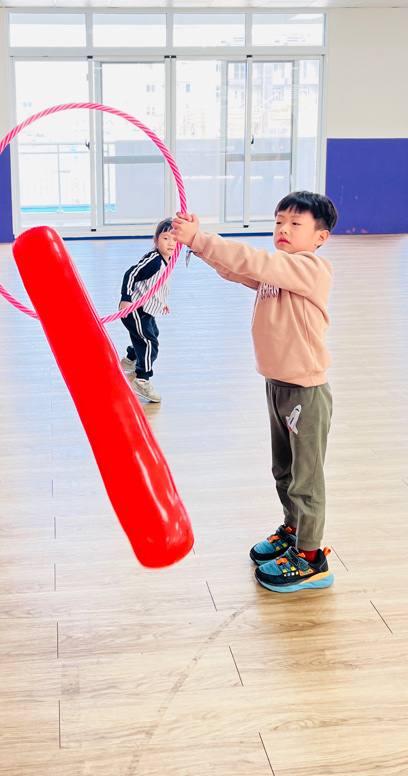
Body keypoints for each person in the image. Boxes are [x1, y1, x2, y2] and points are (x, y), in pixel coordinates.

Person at [171, 191, 338, 593]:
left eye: (295, 224)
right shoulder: (276, 274)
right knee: (284, 471)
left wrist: (200, 238)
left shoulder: (310, 268)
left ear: (320, 237)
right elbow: (236, 269)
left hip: (305, 392)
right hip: (277, 385)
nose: (283, 229)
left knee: (305, 479)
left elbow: (254, 260)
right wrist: (196, 244)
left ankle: (311, 558)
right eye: (278, 222)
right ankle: (293, 530)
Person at [118, 218, 175, 404]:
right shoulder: (154, 261)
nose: (171, 243)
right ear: (156, 240)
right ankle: (142, 380)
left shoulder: (168, 259)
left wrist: (162, 301)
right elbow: (131, 274)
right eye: (165, 238)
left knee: (149, 335)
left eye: (174, 239)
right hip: (135, 309)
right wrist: (126, 299)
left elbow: (158, 283)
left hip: (147, 309)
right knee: (150, 343)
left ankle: (130, 359)